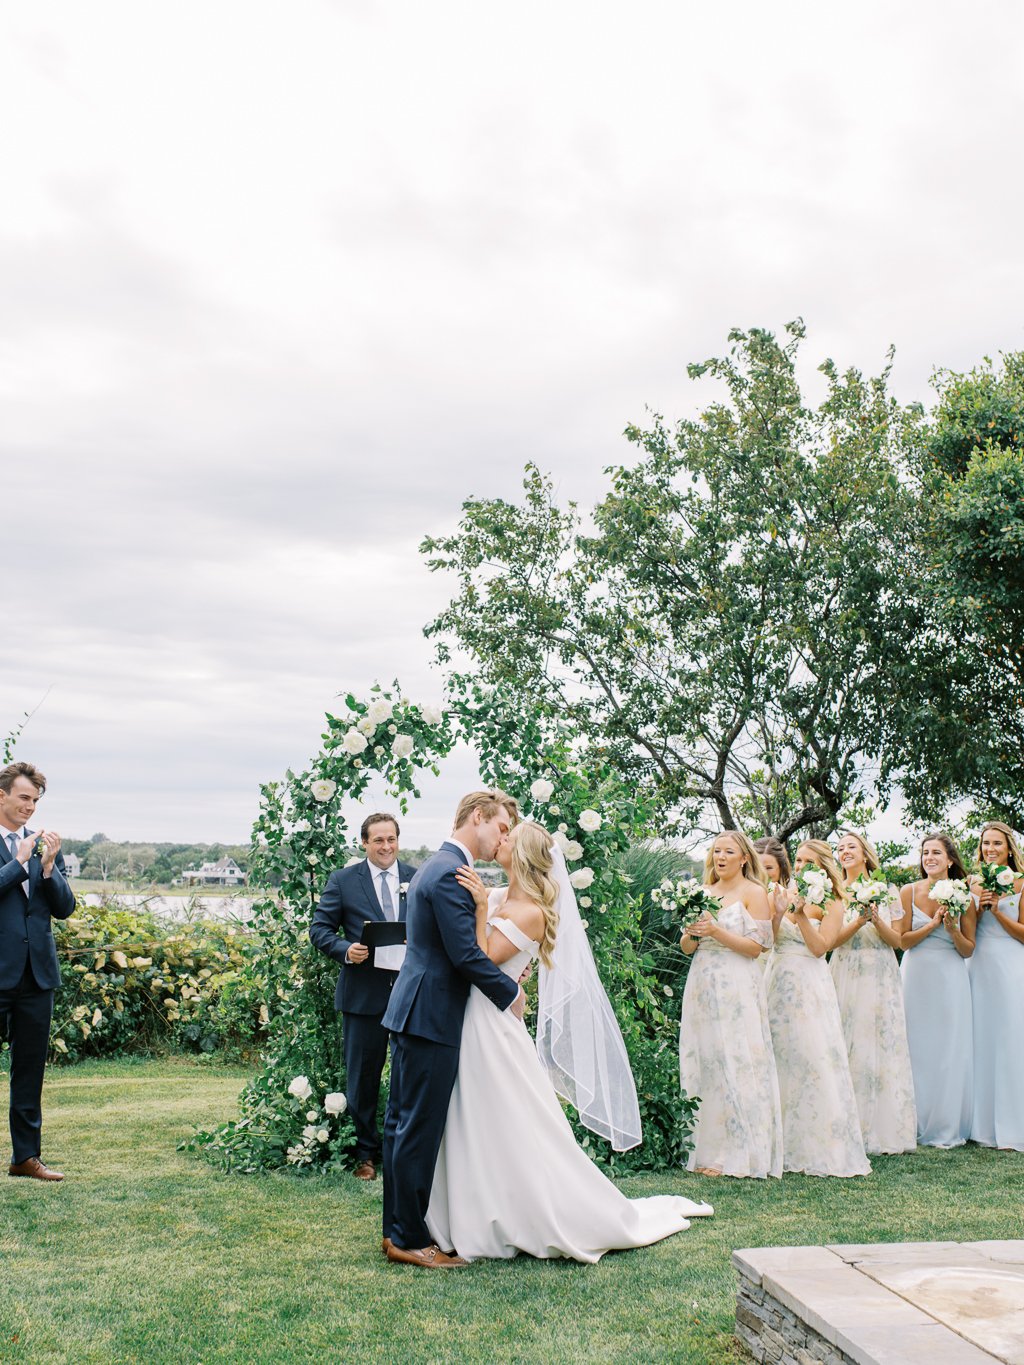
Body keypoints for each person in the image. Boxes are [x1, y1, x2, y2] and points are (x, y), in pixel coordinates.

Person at [425, 821, 712, 1260]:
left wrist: (482, 910)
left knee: (501, 1115)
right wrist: (484, 902)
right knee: (474, 1115)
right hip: (473, 1017)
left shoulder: (531, 911)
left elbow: (479, 959)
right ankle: (469, 1207)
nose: (498, 840)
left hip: (491, 1024)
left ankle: (516, 1213)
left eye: (508, 838)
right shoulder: (503, 896)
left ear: (521, 855)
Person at [380, 791, 525, 1268]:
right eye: (502, 828)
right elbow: (465, 955)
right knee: (416, 1129)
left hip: (417, 1009)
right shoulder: (449, 874)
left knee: (403, 1125)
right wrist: (511, 994)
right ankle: (407, 1239)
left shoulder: (438, 865)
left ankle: (398, 1232)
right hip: (432, 1014)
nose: (504, 838)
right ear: (478, 817)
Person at [309, 813, 417, 1180]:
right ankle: (365, 1154)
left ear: (398, 841)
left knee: (410, 1076)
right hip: (363, 995)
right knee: (363, 1078)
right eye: (378, 841)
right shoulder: (343, 881)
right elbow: (319, 929)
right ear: (364, 844)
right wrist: (344, 949)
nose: (386, 847)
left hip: (409, 994)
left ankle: (400, 1150)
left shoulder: (416, 879)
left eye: (391, 840)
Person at [678, 830, 782, 1179]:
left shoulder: (754, 893)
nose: (720, 857)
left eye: (728, 851)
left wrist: (716, 932)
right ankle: (705, 1149)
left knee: (737, 1059)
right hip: (703, 982)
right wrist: (693, 933)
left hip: (737, 983)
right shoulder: (702, 892)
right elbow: (686, 947)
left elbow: (759, 947)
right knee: (707, 1060)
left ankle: (738, 1152)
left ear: (743, 858)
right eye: (716, 851)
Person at [765, 840, 869, 1177]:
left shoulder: (833, 900)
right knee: (777, 1057)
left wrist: (800, 916)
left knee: (811, 1057)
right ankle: (774, 1143)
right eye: (798, 859)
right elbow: (767, 938)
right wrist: (781, 912)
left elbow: (820, 948)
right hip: (776, 977)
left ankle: (815, 1143)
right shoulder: (781, 891)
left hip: (809, 983)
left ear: (825, 866)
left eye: (811, 861)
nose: (803, 866)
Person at [0, 762, 76, 1182]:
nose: (30, 807)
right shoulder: (15, 847)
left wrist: (47, 868)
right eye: (24, 797)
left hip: (37, 975)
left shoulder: (45, 847)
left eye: (36, 800)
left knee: (29, 1071)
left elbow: (64, 908)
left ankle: (25, 1158)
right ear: (2, 796)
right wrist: (18, 862)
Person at [829, 831, 916, 1154]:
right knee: (845, 1040)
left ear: (865, 854)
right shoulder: (832, 890)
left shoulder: (887, 889)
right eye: (840, 848)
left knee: (879, 1043)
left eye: (851, 846)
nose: (845, 851)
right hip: (844, 967)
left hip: (879, 970)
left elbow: (899, 942)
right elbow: (829, 941)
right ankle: (845, 1124)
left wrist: (875, 920)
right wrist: (857, 921)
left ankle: (882, 1128)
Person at [898, 832, 975, 1148]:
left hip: (949, 976)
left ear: (950, 860)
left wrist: (952, 929)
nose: (929, 858)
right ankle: (911, 1119)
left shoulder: (965, 896)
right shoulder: (908, 892)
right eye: (925, 853)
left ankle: (945, 1123)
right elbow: (902, 941)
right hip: (916, 973)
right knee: (914, 1045)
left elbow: (968, 950)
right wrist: (931, 926)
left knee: (947, 1048)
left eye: (936, 853)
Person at [968, 820, 1024, 1151]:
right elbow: (969, 932)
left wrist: (997, 912)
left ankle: (1013, 1120)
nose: (990, 849)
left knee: (1010, 1038)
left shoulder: (1021, 884)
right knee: (980, 1038)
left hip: (1010, 965)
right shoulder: (972, 884)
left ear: (1009, 849)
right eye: (986, 844)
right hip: (979, 965)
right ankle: (980, 1123)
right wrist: (976, 905)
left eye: (997, 844)